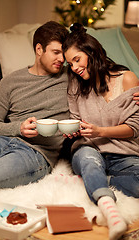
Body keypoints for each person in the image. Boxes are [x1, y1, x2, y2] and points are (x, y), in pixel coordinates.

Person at [62, 23, 139, 240]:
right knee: (88, 160)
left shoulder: (127, 79)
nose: (75, 67)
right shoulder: (75, 84)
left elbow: (134, 128)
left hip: (124, 152)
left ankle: (96, 180)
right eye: (70, 63)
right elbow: (76, 120)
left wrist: (100, 130)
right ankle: (110, 211)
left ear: (91, 51)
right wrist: (74, 130)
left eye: (77, 59)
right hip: (89, 148)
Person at [0, 21, 70, 195]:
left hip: (35, 154)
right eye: (56, 52)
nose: (61, 59)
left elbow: (106, 71)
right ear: (39, 49)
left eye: (63, 53)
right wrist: (19, 127)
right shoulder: (11, 81)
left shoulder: (70, 76)